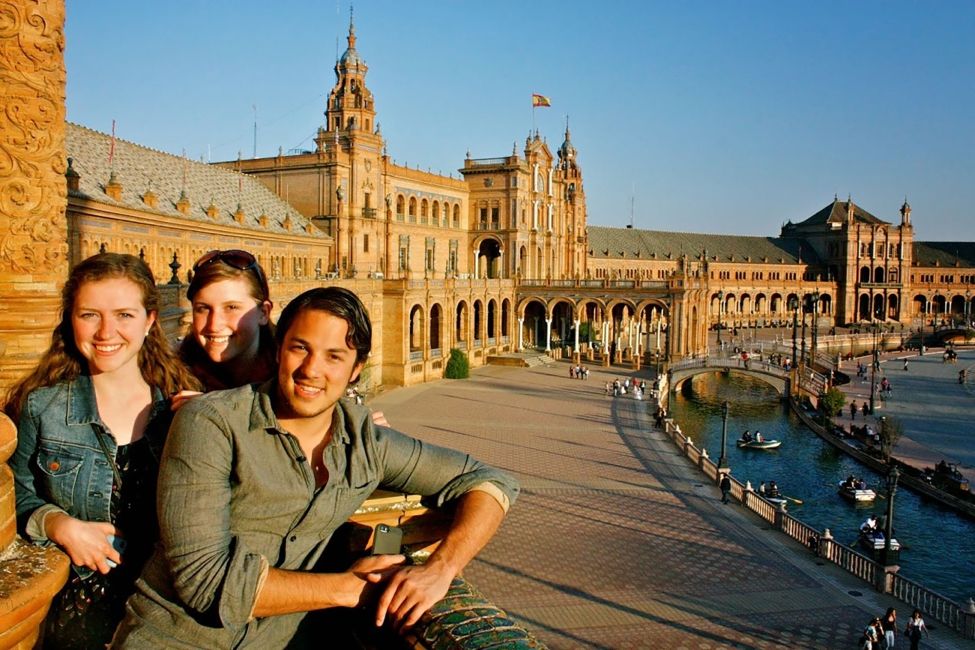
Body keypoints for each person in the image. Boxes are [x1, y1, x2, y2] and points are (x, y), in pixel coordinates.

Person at [113, 286, 519, 647]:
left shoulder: (365, 441)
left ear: (356, 369)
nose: (312, 370)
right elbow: (205, 580)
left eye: (334, 356)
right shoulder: (211, 422)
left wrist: (442, 568)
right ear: (278, 350)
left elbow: (489, 481)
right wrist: (344, 589)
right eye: (300, 347)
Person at [5, 253, 200, 649]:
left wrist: (211, 425)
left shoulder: (187, 410)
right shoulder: (40, 407)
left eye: (124, 315)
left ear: (149, 321)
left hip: (165, 618)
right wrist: (56, 523)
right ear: (70, 320)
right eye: (89, 314)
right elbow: (15, 494)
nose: (106, 331)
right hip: (76, 617)